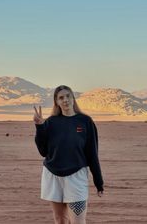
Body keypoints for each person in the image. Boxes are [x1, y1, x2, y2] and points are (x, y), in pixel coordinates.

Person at [33, 85, 104, 224]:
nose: (65, 100)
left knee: (78, 221)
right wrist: (40, 127)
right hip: (52, 175)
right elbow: (43, 151)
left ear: (73, 98)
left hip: (76, 177)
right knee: (60, 220)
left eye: (68, 96)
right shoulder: (50, 122)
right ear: (56, 102)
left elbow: (92, 154)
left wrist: (98, 182)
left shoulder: (85, 122)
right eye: (61, 98)